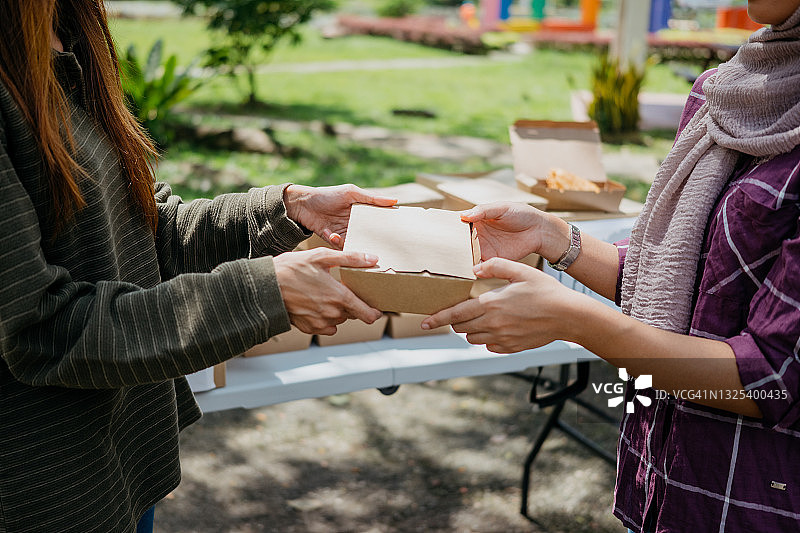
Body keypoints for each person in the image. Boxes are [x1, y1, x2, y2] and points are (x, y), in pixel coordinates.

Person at [0, 1, 395, 532]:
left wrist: (283, 209)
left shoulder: (65, 30)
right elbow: (40, 328)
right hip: (48, 493)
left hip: (121, 464)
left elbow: (146, 230)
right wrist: (264, 293)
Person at [423, 2, 800, 531]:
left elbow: (771, 381)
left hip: (752, 501)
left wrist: (572, 320)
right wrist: (553, 236)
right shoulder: (727, 89)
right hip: (661, 486)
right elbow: (673, 281)